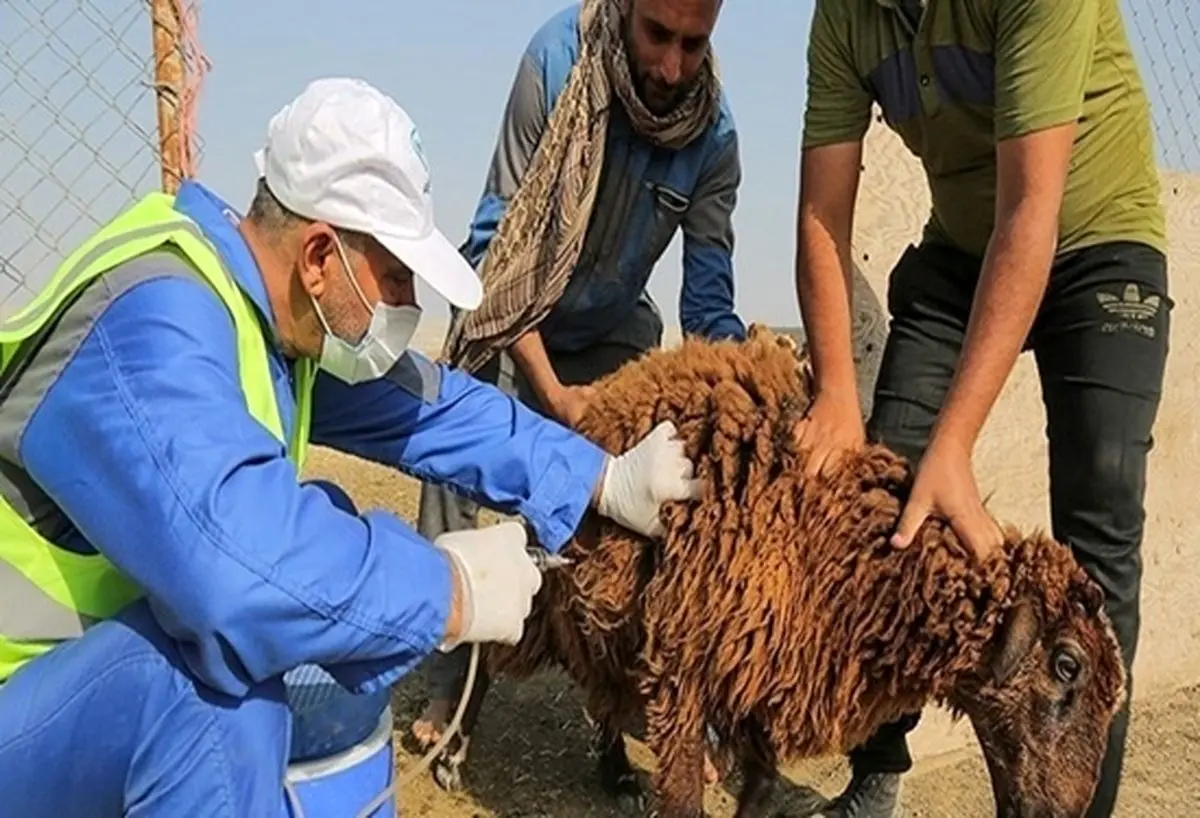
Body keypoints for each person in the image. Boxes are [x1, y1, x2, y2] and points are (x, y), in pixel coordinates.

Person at [0, 76, 704, 817]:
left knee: (324, 625)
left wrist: (601, 478)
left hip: (74, 693)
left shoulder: (268, 319)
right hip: (23, 693)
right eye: (396, 276)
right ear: (319, 256)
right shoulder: (154, 326)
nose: (407, 306)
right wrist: (450, 590)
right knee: (206, 683)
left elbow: (431, 410)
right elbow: (235, 580)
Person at [793, 0, 1170, 816]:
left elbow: (1031, 211)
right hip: (961, 249)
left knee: (1101, 504)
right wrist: (834, 393)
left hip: (1097, 240)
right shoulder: (841, 17)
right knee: (888, 486)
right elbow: (824, 210)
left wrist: (958, 445)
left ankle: (1077, 807)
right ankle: (876, 776)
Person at [412, 0, 746, 778]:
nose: (671, 68)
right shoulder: (555, 64)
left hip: (612, 329)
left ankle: (613, 709)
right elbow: (496, 250)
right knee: (448, 450)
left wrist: (743, 404)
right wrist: (554, 396)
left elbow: (707, 306)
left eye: (694, 46)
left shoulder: (714, 137)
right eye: (657, 37)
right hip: (511, 315)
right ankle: (451, 685)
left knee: (635, 514)